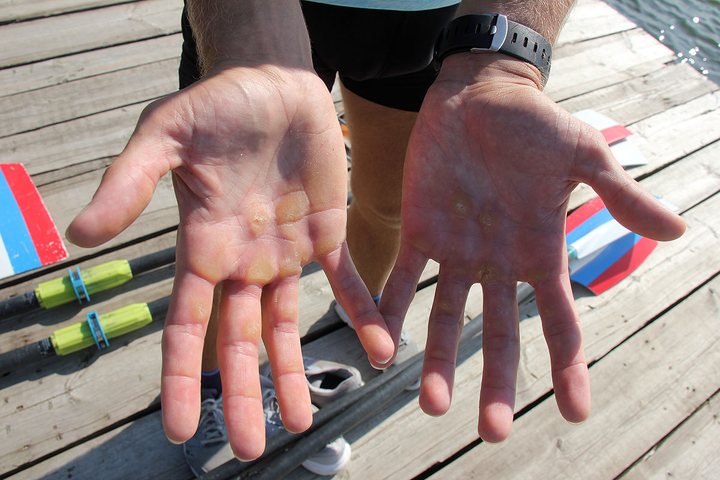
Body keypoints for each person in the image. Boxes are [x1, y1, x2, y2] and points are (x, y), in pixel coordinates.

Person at [66, 0, 686, 469]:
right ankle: (214, 387)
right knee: (235, 245)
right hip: (258, 13)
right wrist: (252, 39)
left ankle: (353, 316)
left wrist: (502, 61)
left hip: (437, 20)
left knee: (390, 205)